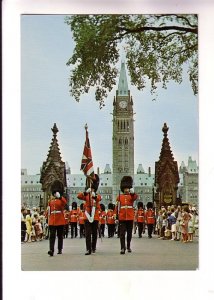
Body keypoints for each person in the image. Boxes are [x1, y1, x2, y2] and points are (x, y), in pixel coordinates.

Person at [77, 174, 101, 255]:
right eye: (91, 188)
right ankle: (88, 249)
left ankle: (93, 247)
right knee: (87, 233)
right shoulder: (86, 195)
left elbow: (98, 199)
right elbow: (79, 196)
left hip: (95, 217)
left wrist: (94, 196)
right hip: (87, 216)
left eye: (93, 189)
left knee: (94, 233)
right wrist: (85, 192)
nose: (92, 190)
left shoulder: (97, 195)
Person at [116, 176, 138, 254]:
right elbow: (117, 208)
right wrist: (116, 217)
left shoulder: (131, 196)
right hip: (122, 217)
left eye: (127, 188)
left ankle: (128, 246)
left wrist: (133, 193)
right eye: (125, 188)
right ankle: (122, 248)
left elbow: (135, 197)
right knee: (122, 234)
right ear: (123, 189)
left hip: (129, 217)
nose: (126, 190)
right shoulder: (119, 197)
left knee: (129, 234)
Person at [47, 190, 67, 256]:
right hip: (52, 221)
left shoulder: (61, 200)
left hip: (60, 220)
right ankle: (51, 250)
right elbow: (49, 211)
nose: (54, 195)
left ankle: (60, 249)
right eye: (54, 194)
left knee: (60, 236)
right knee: (52, 236)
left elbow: (65, 202)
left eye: (55, 194)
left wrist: (60, 197)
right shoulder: (50, 202)